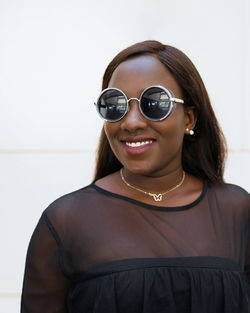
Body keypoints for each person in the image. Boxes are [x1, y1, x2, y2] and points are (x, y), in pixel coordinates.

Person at [21, 40, 250, 313]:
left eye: (153, 103)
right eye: (115, 104)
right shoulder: (65, 221)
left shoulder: (237, 211)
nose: (131, 122)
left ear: (189, 118)